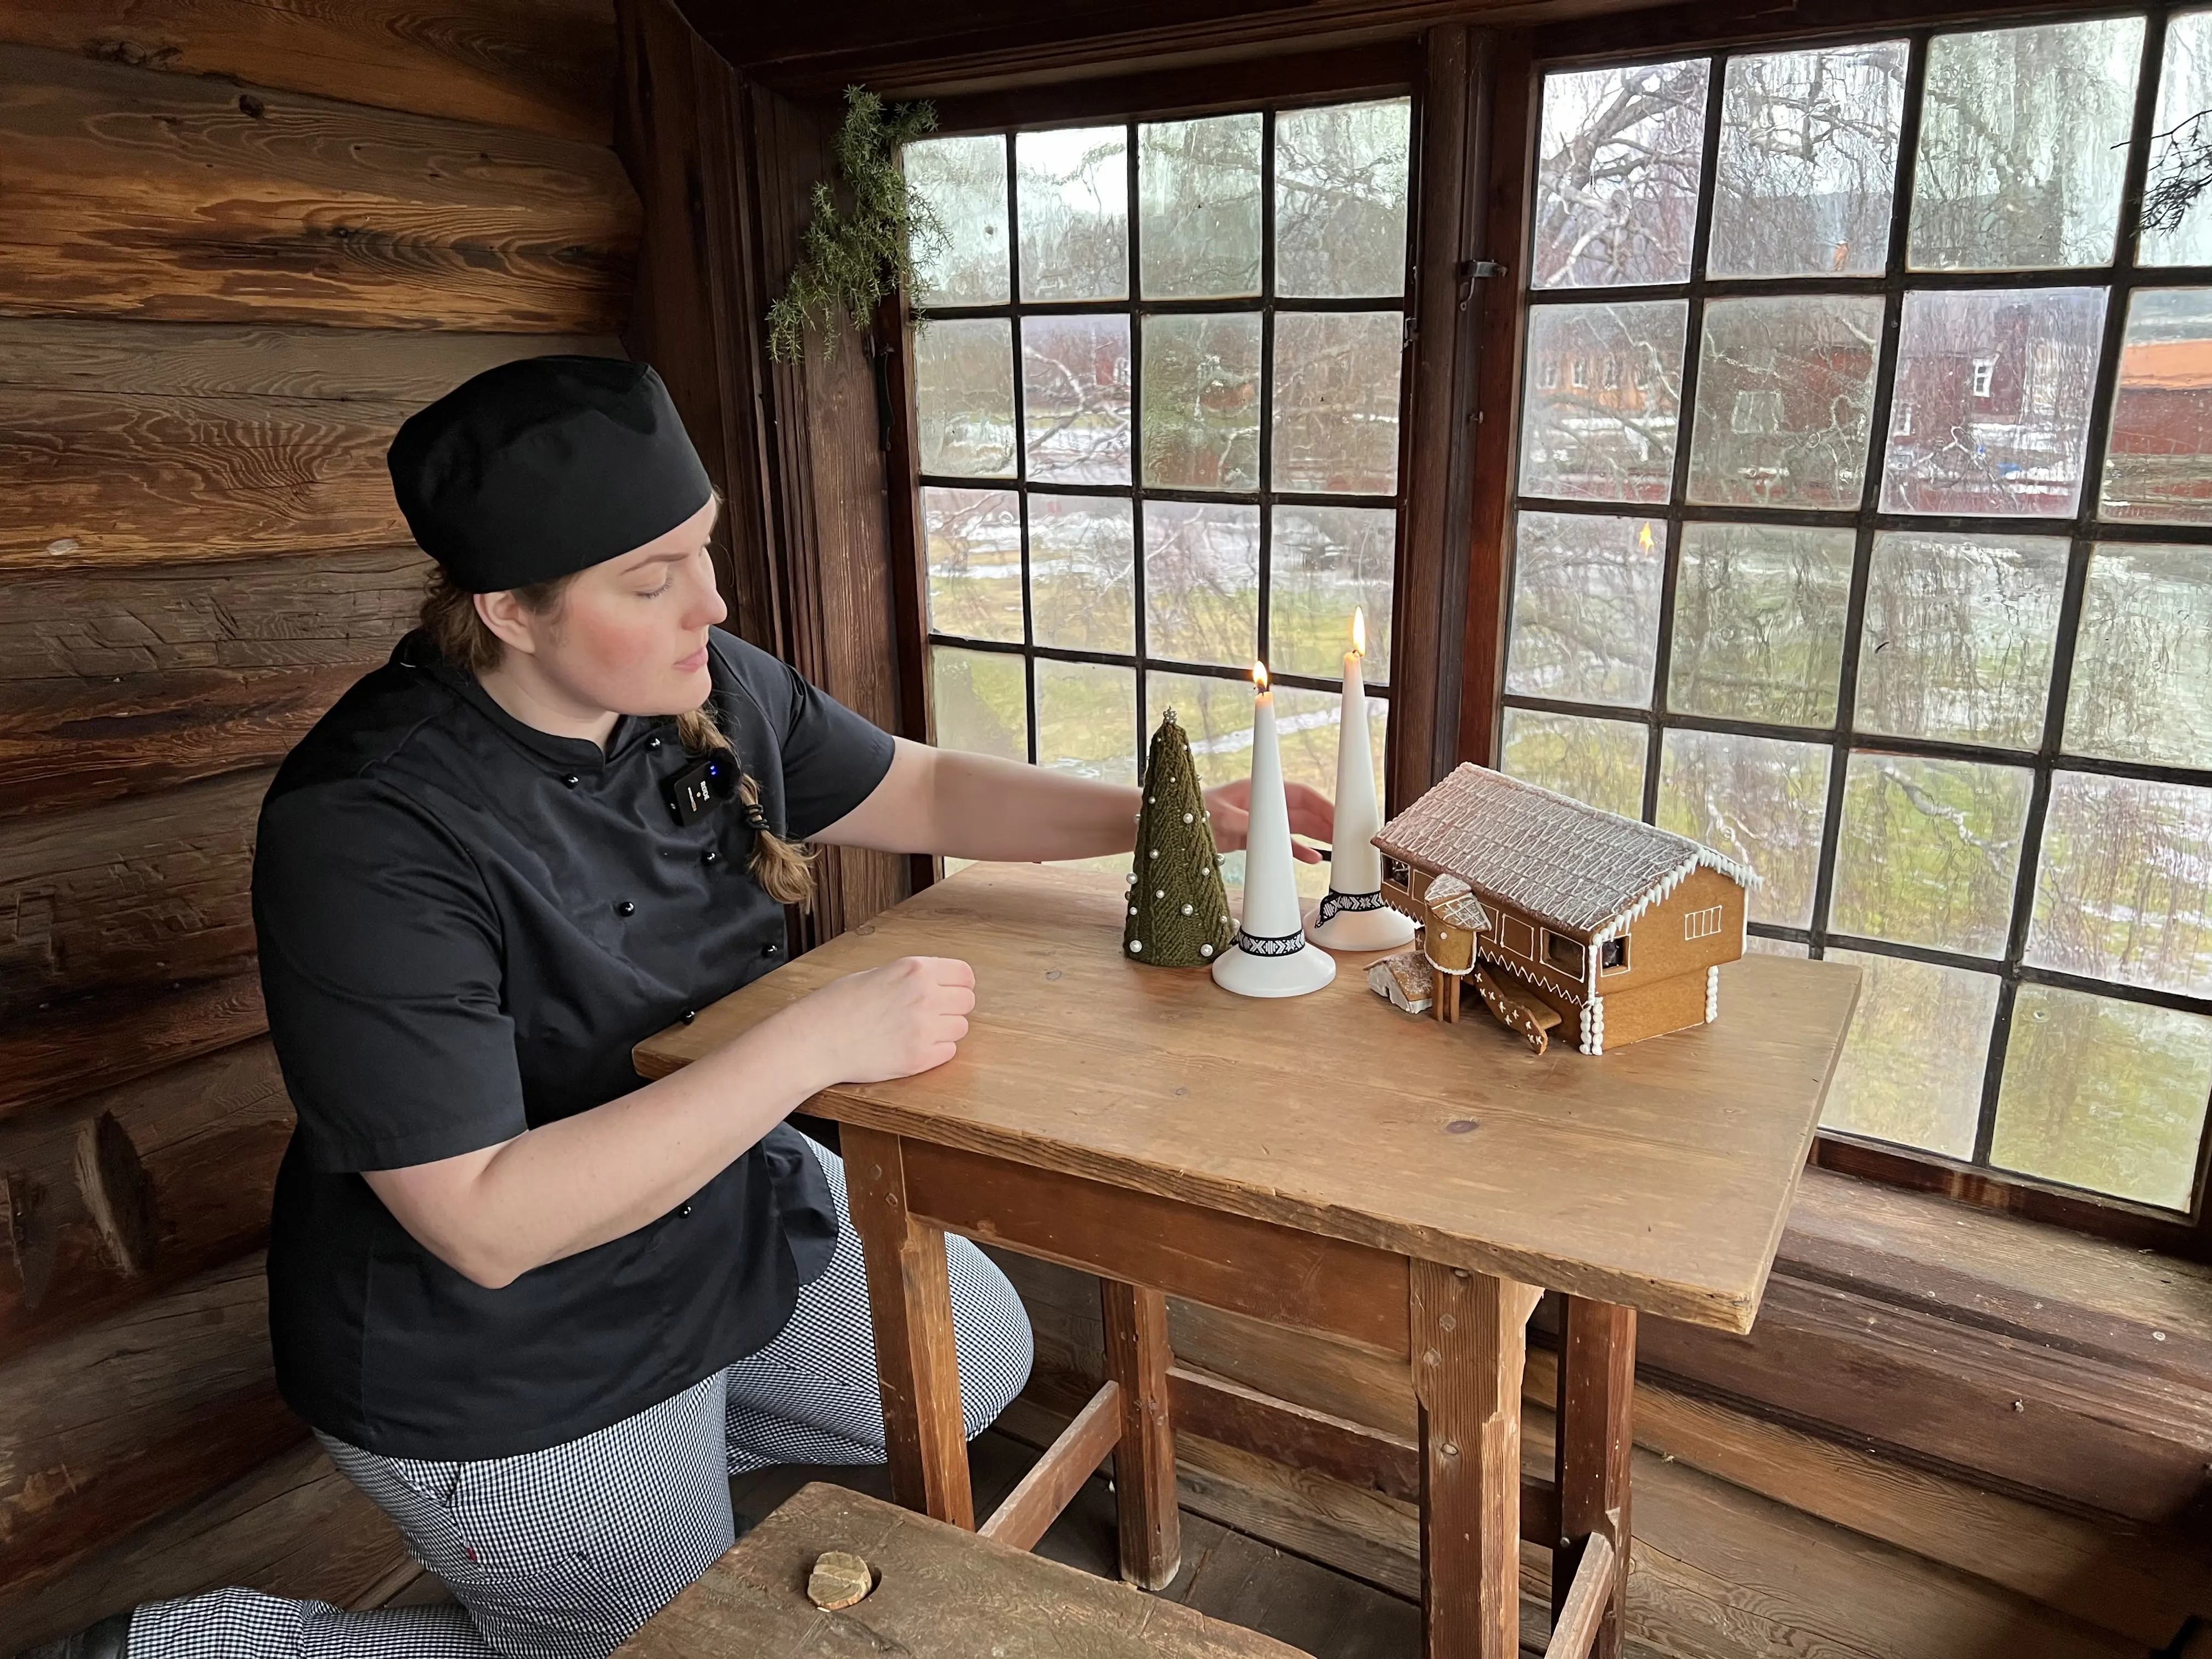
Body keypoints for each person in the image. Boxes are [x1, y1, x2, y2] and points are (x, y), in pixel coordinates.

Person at [30, 357, 1334, 1659]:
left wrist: (1171, 818)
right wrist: (815, 1045)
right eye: (652, 579)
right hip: (504, 1350)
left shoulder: (701, 686)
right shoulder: (370, 827)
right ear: (510, 611)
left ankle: (655, 1524)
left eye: (701, 550)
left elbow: (924, 788)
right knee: (681, 1645)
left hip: (715, 1205)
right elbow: (484, 1222)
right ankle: (210, 1648)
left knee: (977, 1353)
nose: (709, 599)